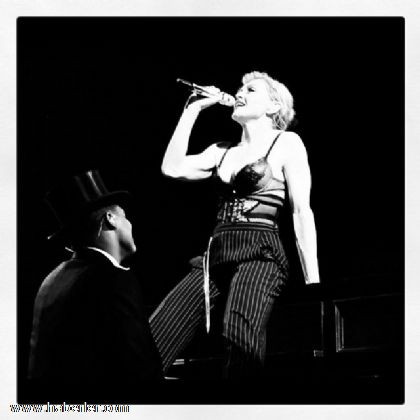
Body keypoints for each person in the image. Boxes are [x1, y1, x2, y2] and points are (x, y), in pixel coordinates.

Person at [149, 71, 320, 380]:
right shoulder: (221, 150)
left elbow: (301, 212)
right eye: (240, 88)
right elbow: (171, 168)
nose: (240, 93)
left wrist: (314, 284)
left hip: (260, 254)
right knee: (154, 338)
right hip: (215, 256)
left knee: (239, 340)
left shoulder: (286, 143)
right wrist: (192, 109)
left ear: (273, 106)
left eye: (251, 90)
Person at [28, 170, 163, 402]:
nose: (130, 224)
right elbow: (139, 371)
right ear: (110, 218)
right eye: (125, 216)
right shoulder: (112, 279)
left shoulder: (52, 279)